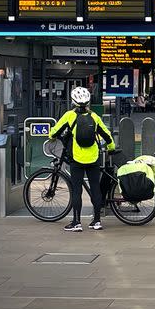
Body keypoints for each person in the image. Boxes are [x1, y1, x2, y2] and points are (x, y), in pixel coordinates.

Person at [50, 86, 116, 232]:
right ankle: (97, 221)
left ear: (73, 101)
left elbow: (54, 131)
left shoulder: (69, 116)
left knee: (76, 189)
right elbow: (107, 135)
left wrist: (52, 136)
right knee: (95, 188)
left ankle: (76, 222)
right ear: (88, 102)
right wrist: (111, 148)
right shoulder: (94, 117)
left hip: (77, 159)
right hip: (93, 158)